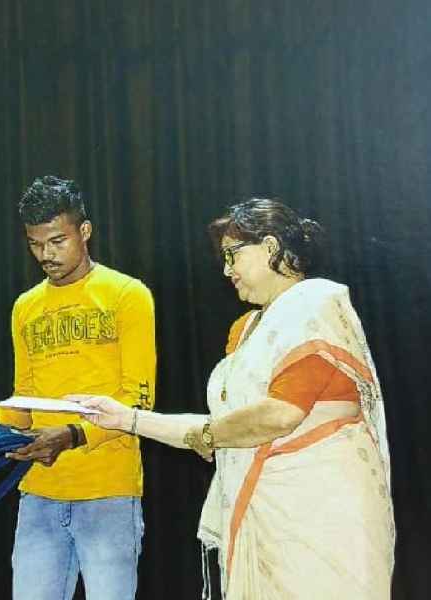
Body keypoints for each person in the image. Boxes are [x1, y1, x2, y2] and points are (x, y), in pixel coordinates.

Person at [73, 199, 395, 599]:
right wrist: (125, 418)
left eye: (232, 255)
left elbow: (278, 416)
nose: (226, 270)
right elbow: (220, 427)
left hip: (322, 518)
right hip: (265, 518)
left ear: (272, 247)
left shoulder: (313, 306)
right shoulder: (245, 330)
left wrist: (208, 436)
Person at [0, 176, 156, 600]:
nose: (46, 254)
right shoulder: (25, 306)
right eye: (35, 243)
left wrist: (73, 435)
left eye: (58, 241)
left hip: (107, 489)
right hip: (39, 490)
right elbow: (22, 396)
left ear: (85, 231)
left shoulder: (127, 295)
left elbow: (140, 398)